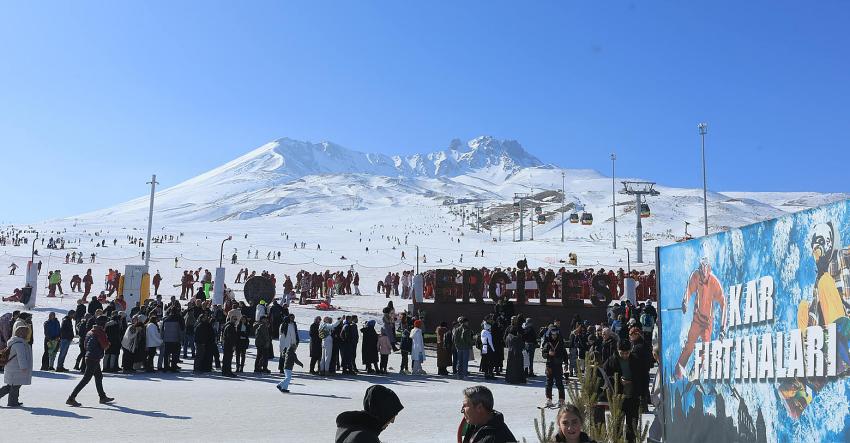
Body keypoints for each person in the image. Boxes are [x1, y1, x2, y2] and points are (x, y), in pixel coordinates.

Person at [603, 339, 649, 443]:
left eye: (627, 353)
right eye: (622, 353)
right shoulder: (611, 360)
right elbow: (604, 376)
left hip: (633, 398)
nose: (624, 355)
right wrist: (617, 380)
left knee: (632, 428)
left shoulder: (636, 360)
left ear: (631, 350)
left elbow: (644, 377)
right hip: (618, 399)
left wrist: (642, 393)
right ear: (618, 350)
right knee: (617, 428)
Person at [67, 316, 114, 406]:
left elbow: (85, 345)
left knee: (98, 376)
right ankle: (71, 398)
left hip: (89, 356)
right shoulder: (100, 332)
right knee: (86, 379)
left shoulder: (90, 331)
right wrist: (108, 344)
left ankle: (102, 396)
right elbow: (105, 346)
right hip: (94, 358)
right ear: (103, 324)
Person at [335, 385, 404, 443]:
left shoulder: (347, 427)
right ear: (382, 412)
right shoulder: (365, 437)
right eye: (391, 415)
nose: (392, 421)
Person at [0, 326, 32, 407]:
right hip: (16, 369)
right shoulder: (19, 344)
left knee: (11, 385)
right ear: (22, 334)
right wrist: (24, 367)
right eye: (27, 333)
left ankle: (13, 401)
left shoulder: (15, 342)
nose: (28, 335)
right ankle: (12, 402)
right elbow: (21, 357)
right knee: (15, 386)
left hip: (12, 369)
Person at [541, 325, 567, 408]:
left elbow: (564, 353)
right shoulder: (547, 342)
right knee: (549, 383)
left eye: (555, 334)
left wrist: (566, 363)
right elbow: (543, 354)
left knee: (559, 383)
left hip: (558, 365)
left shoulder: (560, 342)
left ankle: (561, 400)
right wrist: (548, 354)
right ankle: (549, 399)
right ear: (550, 334)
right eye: (552, 334)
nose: (554, 336)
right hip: (549, 365)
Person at [277, 314, 301, 392]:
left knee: (287, 357)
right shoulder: (285, 325)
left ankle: (284, 387)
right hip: (286, 343)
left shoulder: (292, 325)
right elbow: (284, 335)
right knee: (284, 357)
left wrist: (295, 342)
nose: (292, 319)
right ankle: (281, 370)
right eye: (291, 317)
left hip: (289, 343)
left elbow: (294, 334)